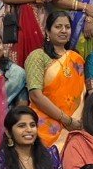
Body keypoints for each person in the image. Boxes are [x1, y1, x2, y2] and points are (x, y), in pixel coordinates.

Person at [25, 12, 86, 150]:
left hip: (75, 126)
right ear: (47, 31)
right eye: (58, 27)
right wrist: (66, 120)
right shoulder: (38, 56)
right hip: (44, 126)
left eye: (67, 27)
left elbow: (82, 95)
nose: (64, 30)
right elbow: (35, 95)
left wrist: (75, 122)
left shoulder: (76, 58)